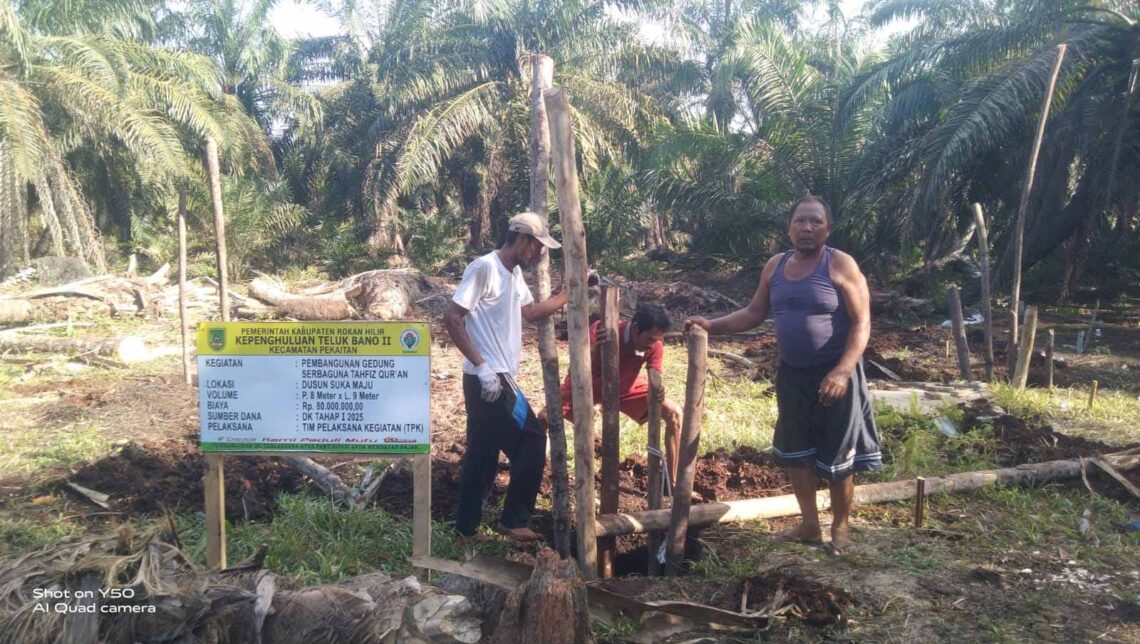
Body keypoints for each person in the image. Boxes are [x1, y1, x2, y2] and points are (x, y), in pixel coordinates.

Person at [686, 195, 879, 554]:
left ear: (828, 228)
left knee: (839, 456)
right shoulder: (776, 266)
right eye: (800, 222)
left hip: (835, 374)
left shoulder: (840, 264)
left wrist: (842, 370)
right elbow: (753, 313)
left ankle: (840, 530)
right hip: (793, 374)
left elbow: (862, 322)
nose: (807, 228)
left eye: (815, 222)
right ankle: (809, 525)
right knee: (797, 452)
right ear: (789, 228)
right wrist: (711, 324)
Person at [443, 211, 568, 542]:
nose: (539, 254)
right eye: (538, 247)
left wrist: (565, 295)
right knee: (531, 438)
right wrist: (481, 367)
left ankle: (466, 528)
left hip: (496, 377)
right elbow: (453, 318)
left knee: (483, 452)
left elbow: (527, 312)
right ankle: (513, 520)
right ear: (523, 240)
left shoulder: (513, 275)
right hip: (490, 378)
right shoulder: (485, 268)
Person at [539, 304, 685, 482]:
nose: (651, 344)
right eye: (649, 338)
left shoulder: (654, 345)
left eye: (657, 339)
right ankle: (537, 467)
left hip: (624, 387)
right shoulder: (603, 329)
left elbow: (655, 375)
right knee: (544, 418)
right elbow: (577, 365)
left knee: (674, 413)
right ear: (636, 328)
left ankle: (673, 480)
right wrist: (598, 347)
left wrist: (658, 390)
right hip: (586, 385)